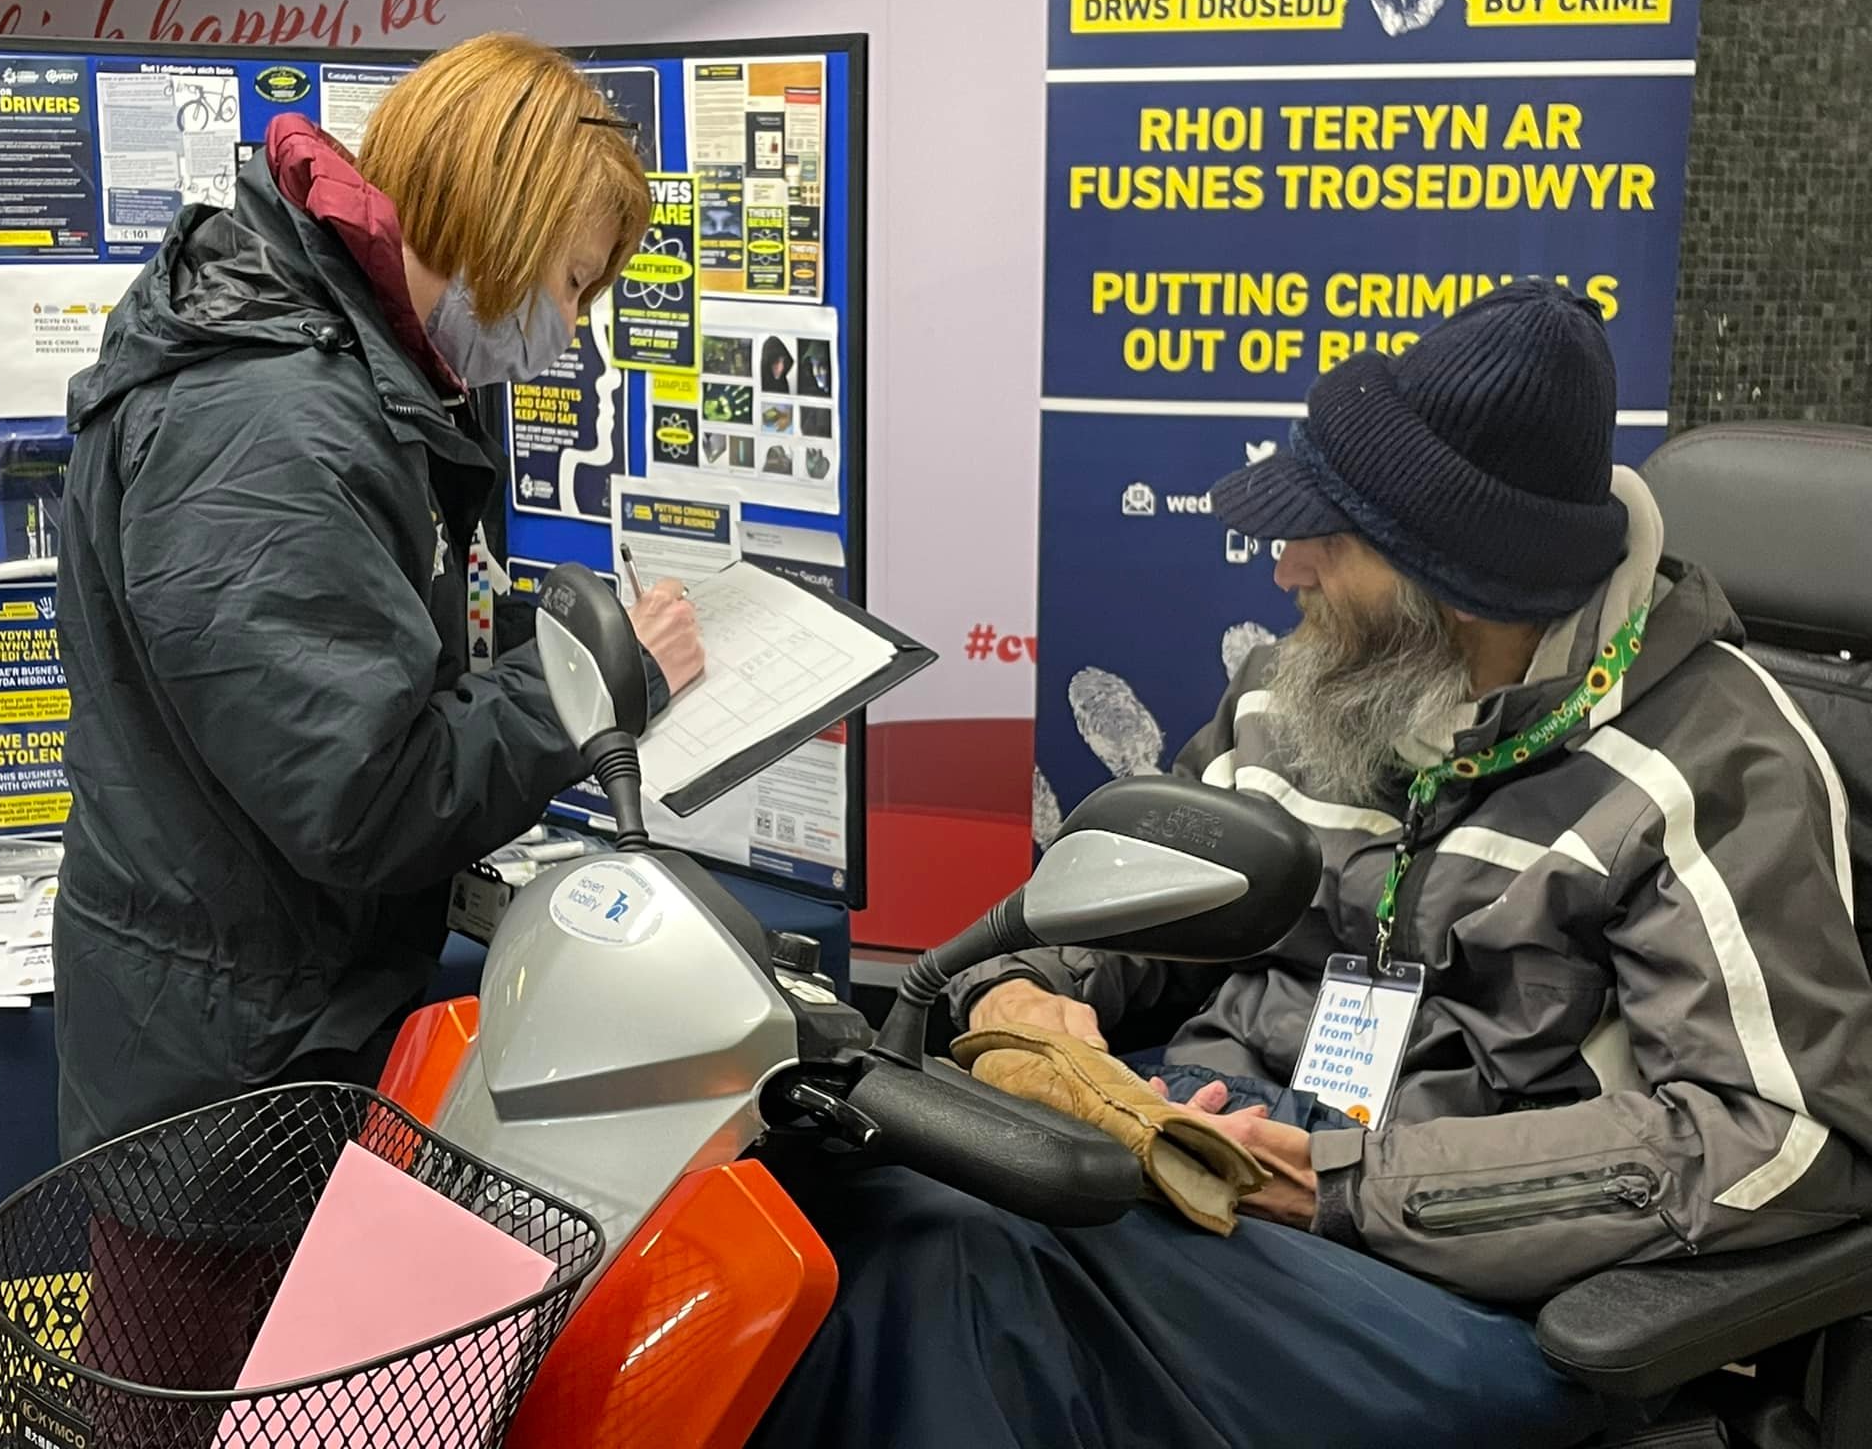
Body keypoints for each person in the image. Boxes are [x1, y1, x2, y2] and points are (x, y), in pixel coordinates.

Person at [754, 282, 1872, 1448]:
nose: (1283, 566)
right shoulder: (1306, 692)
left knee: (960, 1278)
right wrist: (1028, 991)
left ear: (1456, 572)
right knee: (846, 1198)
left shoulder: (1708, 765)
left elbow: (1786, 1138)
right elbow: (1129, 891)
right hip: (1203, 1146)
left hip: (1452, 1276)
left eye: (1323, 537)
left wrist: (1339, 1181)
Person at [53, 34, 704, 1158]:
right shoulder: (271, 422)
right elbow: (362, 798)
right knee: (223, 1340)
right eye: (573, 280)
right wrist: (589, 683)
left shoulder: (329, 370)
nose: (574, 324)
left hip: (264, 1017)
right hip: (237, 1070)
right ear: (506, 225)